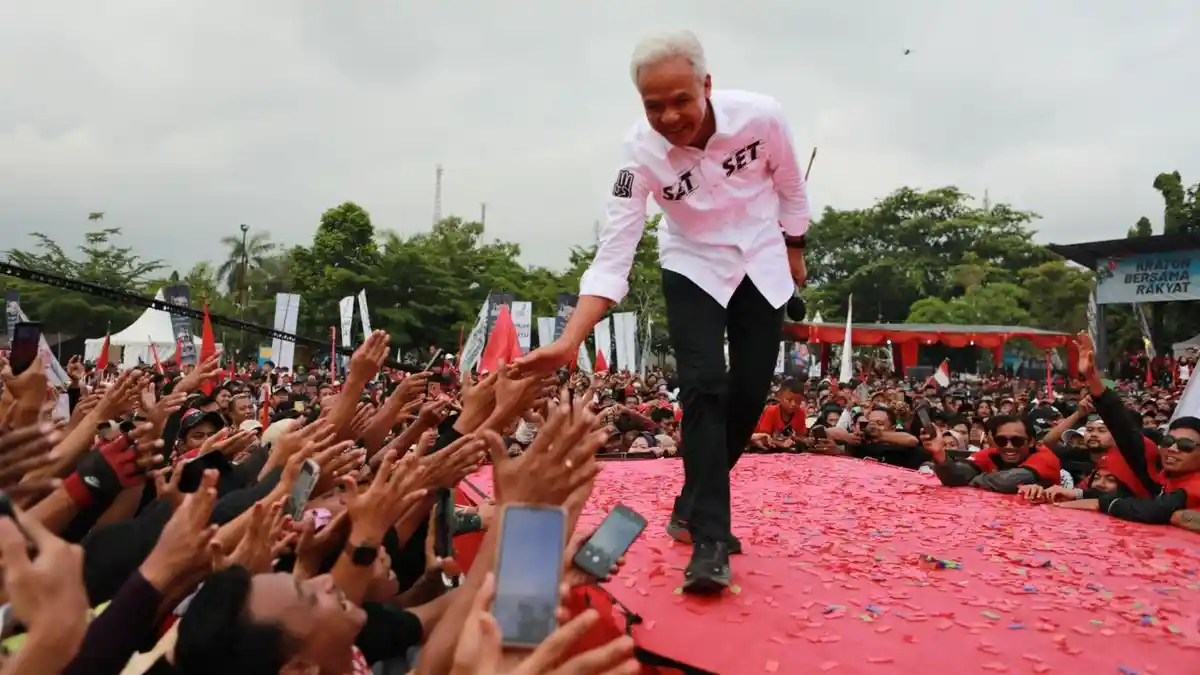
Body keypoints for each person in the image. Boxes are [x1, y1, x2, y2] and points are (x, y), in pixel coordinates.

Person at [517, 29, 810, 593]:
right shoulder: (638, 156)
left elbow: (792, 189)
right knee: (704, 385)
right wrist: (571, 336)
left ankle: (689, 505)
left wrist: (795, 248)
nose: (671, 115)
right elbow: (615, 251)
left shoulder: (762, 117)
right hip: (692, 263)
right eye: (655, 105)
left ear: (706, 85)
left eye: (681, 99)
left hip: (762, 259)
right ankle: (709, 540)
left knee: (749, 394)